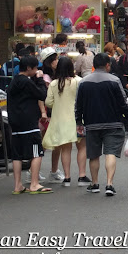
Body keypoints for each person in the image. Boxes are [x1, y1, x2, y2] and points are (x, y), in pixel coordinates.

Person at [75, 53, 128, 196]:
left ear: (94, 65)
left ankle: (94, 183)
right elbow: (123, 102)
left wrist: (79, 121)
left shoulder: (83, 82)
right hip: (113, 123)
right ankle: (109, 184)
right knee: (110, 153)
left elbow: (78, 104)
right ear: (107, 65)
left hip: (92, 123)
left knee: (94, 155)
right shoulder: (114, 80)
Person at [7, 55, 52, 194]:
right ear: (28, 68)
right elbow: (42, 94)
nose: (37, 70)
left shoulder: (14, 82)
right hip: (29, 122)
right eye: (35, 68)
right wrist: (39, 79)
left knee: (17, 155)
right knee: (37, 152)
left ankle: (17, 185)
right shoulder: (27, 82)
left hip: (15, 123)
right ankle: (34, 184)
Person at [43, 57, 91, 187]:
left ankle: (67, 178)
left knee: (65, 149)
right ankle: (81, 176)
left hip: (61, 121)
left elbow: (48, 102)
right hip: (78, 120)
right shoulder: (79, 81)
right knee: (82, 147)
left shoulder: (54, 84)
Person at [37, 47, 63, 185]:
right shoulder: (45, 77)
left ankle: (53, 170)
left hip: (52, 112)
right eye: (55, 59)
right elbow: (41, 96)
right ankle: (34, 170)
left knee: (53, 142)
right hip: (48, 113)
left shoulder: (52, 75)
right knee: (45, 142)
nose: (57, 62)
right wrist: (43, 112)